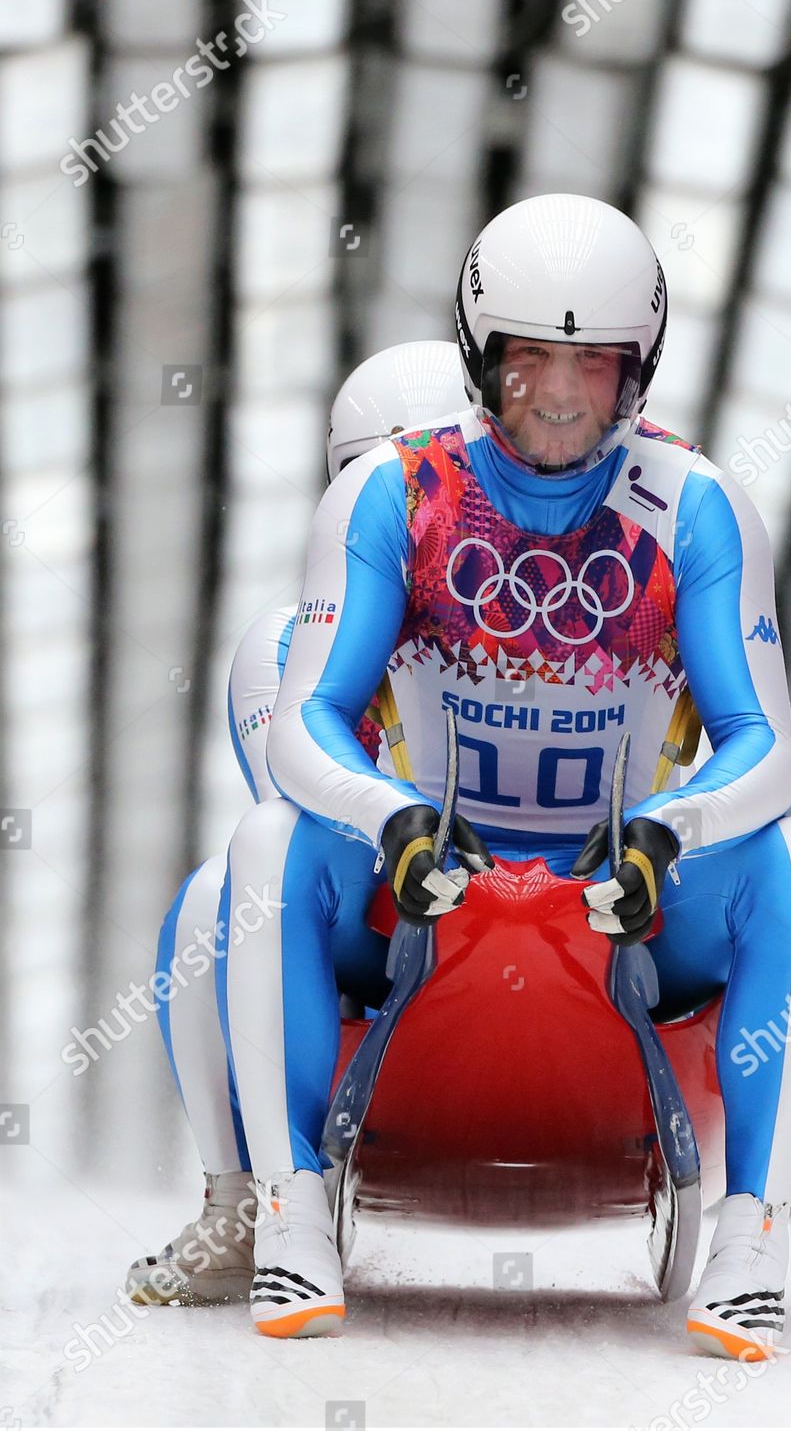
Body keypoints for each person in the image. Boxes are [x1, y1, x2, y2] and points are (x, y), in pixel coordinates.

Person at [215, 194, 791, 1353]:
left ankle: (753, 1235)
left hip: (619, 897)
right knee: (257, 852)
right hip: (428, 881)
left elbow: (765, 745)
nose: (558, 398)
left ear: (637, 371)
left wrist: (668, 831)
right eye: (530, 364)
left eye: (593, 368)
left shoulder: (698, 509)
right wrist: (394, 814)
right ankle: (281, 1210)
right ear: (478, 356)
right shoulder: (388, 495)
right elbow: (310, 719)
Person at [124, 341, 469, 1307]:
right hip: (380, 927)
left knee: (780, 855)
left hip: (551, 909)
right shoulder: (286, 640)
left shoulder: (562, 615)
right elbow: (294, 803)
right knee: (212, 896)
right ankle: (242, 1198)